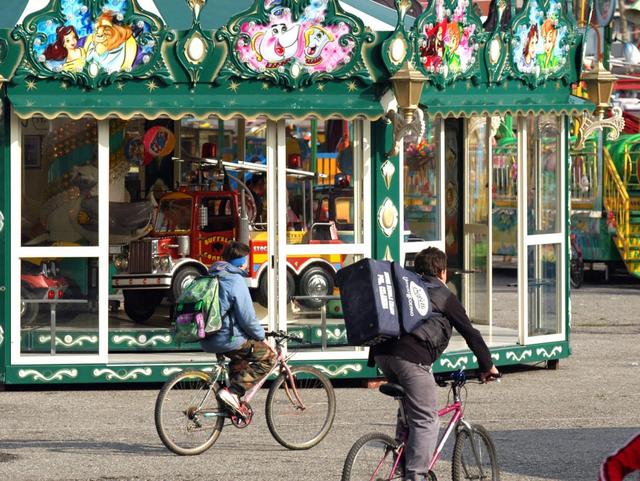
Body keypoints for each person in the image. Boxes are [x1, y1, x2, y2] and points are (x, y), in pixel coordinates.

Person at [369, 247, 500, 481]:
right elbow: (471, 333)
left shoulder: (406, 287)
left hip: (382, 354)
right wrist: (487, 366)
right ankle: (415, 476)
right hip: (410, 358)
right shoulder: (444, 295)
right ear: (442, 271)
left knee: (410, 411)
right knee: (426, 419)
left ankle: (400, 464)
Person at [201, 241, 275, 413]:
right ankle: (233, 392)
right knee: (269, 358)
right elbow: (248, 318)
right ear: (241, 261)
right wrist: (262, 337)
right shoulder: (235, 280)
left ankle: (231, 404)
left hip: (207, 337)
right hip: (227, 339)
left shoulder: (211, 275)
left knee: (240, 361)